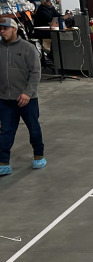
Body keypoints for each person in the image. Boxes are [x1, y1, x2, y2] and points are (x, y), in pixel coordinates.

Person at [0, 18, 45, 176]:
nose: (2, 31)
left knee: (33, 128)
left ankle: (38, 155)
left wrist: (27, 93)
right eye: (0, 29)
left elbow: (35, 72)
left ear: (14, 29)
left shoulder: (27, 48)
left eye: (5, 28)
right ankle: (3, 162)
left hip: (27, 99)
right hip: (5, 99)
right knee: (6, 131)